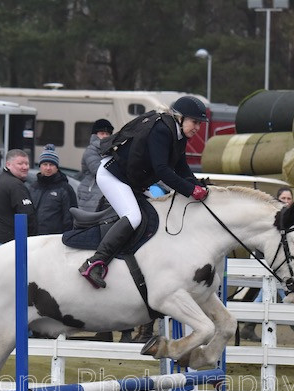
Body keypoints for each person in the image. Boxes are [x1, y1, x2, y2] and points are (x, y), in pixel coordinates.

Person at [78, 95, 209, 288]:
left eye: (200, 123)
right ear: (180, 117)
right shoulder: (163, 130)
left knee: (156, 214)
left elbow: (182, 168)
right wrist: (191, 190)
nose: (198, 128)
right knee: (133, 217)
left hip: (129, 180)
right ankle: (94, 263)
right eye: (195, 122)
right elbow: (162, 170)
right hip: (112, 176)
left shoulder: (179, 135)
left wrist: (199, 186)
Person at [239, 186, 294, 345]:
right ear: (277, 199)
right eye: (283, 198)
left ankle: (248, 326)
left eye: (289, 199)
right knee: (282, 292)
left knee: (266, 295)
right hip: (268, 259)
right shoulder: (272, 217)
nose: (286, 201)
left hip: (281, 263)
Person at [0, 149, 36, 252]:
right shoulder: (15, 185)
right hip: (8, 243)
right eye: (20, 163)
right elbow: (28, 215)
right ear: (8, 164)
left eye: (27, 163)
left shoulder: (0, 180)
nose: (25, 167)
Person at [28, 144, 77, 235]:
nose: (48, 168)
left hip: (54, 239)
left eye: (51, 165)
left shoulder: (65, 189)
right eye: (45, 164)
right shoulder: (33, 187)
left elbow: (70, 218)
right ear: (40, 166)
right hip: (33, 238)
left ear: (57, 167)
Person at [77, 119, 114, 212]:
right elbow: (97, 170)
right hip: (90, 193)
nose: (105, 136)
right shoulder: (91, 150)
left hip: (105, 193)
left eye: (107, 134)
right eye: (102, 133)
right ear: (95, 135)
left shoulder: (112, 151)